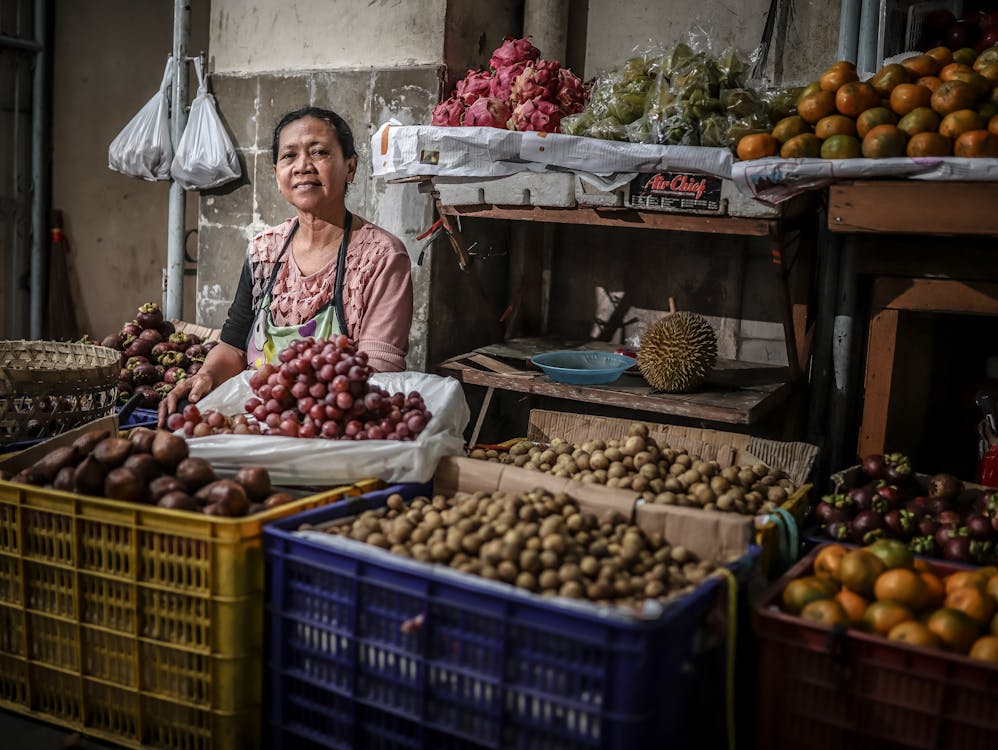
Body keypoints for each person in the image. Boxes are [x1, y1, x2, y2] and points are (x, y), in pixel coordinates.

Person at [160, 106, 413, 424]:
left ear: (350, 167)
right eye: (289, 156)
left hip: (335, 419)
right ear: (277, 173)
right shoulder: (264, 250)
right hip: (256, 412)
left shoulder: (382, 257)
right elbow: (233, 346)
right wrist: (208, 375)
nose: (303, 166)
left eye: (319, 152)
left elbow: (378, 371)